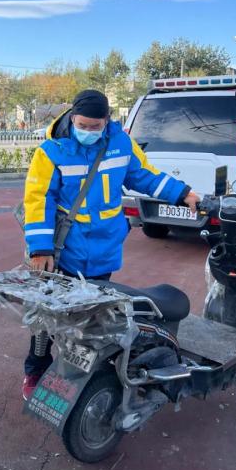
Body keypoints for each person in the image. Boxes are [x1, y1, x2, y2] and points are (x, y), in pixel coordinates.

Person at [21, 88, 200, 400]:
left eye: (96, 126)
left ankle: (79, 375)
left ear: (107, 120)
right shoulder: (51, 151)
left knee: (92, 317)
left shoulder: (121, 143)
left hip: (104, 249)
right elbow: (38, 201)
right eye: (83, 125)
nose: (89, 132)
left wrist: (182, 192)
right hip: (65, 249)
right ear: (71, 117)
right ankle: (36, 368)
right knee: (49, 318)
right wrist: (40, 249)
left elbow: (144, 176)